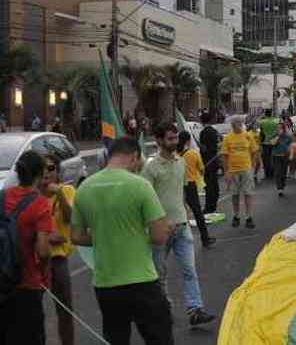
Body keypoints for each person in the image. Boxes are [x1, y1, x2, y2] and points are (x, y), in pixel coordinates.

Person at [71, 137, 173, 344]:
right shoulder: (140, 185)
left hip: (106, 283)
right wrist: (142, 233)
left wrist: (103, 235)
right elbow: (159, 236)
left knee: (116, 338)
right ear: (134, 156)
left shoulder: (84, 188)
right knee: (160, 338)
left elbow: (77, 236)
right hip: (142, 280)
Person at [142, 123, 215, 327]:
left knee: (189, 270)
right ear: (158, 140)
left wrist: (185, 213)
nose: (175, 142)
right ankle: (163, 310)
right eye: (170, 138)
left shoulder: (181, 162)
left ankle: (195, 310)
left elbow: (181, 191)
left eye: (175, 138)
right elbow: (145, 200)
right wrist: (159, 224)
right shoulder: (150, 167)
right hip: (160, 230)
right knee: (159, 274)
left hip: (182, 227)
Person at [0, 151, 52, 344]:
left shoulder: (2, 196)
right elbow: (43, 251)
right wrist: (45, 272)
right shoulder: (40, 204)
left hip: (2, 283)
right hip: (27, 283)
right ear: (39, 175)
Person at [40, 154, 76, 345]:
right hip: (36, 260)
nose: (47, 172)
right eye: (43, 168)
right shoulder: (33, 195)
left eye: (51, 168)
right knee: (33, 309)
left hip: (58, 259)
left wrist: (59, 194)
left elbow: (71, 219)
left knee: (65, 309)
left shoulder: (67, 190)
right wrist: (46, 236)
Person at [177, 131, 215, 249]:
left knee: (181, 214)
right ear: (188, 141)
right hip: (190, 185)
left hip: (178, 186)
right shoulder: (193, 153)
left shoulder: (175, 155)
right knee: (197, 212)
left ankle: (180, 242)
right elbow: (202, 169)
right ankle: (205, 238)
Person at [220, 117, 257, 229]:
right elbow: (224, 156)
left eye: (239, 125)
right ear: (232, 126)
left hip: (246, 168)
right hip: (233, 170)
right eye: (235, 125)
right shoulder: (228, 138)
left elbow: (254, 151)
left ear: (241, 124)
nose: (237, 127)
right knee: (235, 194)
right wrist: (226, 172)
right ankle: (236, 216)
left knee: (248, 193)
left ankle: (248, 217)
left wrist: (253, 166)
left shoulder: (248, 136)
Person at [198, 112, 220, 214]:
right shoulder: (214, 131)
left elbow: (203, 149)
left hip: (207, 161)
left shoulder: (203, 133)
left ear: (202, 121)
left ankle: (209, 207)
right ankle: (214, 204)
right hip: (215, 159)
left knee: (208, 185)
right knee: (214, 183)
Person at [272, 123, 293, 197]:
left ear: (283, 129)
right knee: (278, 172)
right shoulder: (275, 135)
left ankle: (282, 186)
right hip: (276, 156)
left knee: (283, 173)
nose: (278, 129)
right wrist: (278, 136)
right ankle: (279, 189)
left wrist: (291, 155)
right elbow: (273, 143)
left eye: (280, 128)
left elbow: (291, 146)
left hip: (285, 156)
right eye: (277, 128)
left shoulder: (288, 136)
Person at [259, 110, 279, 180]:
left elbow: (256, 124)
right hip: (273, 142)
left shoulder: (262, 121)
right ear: (271, 114)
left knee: (266, 159)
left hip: (265, 142)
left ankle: (267, 173)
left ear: (265, 114)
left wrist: (261, 116)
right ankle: (273, 172)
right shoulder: (276, 121)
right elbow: (278, 130)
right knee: (274, 157)